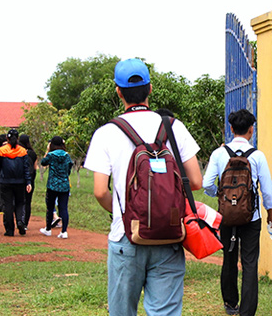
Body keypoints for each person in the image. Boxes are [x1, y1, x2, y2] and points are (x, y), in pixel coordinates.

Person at [85, 57, 203, 316]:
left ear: (118, 92)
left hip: (125, 236)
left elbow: (99, 191)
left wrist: (119, 211)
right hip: (169, 236)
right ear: (150, 88)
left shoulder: (106, 132)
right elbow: (196, 181)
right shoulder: (174, 128)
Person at [202, 109, 272, 316]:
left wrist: (220, 196)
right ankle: (247, 311)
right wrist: (271, 214)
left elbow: (206, 183)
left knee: (229, 256)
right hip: (251, 217)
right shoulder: (258, 156)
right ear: (251, 130)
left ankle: (230, 303)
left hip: (226, 216)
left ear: (231, 129)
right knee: (250, 262)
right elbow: (267, 191)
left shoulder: (219, 154)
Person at [0, 129, 32, 236]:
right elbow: (26, 168)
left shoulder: (1, 151)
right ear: (18, 138)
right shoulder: (23, 151)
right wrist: (28, 182)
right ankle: (20, 221)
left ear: (7, 138)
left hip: (5, 181)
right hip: (20, 182)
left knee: (8, 205)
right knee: (20, 203)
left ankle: (9, 230)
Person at [39, 136, 74, 239]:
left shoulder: (51, 155)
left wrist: (47, 150)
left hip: (52, 185)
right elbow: (69, 168)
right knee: (63, 208)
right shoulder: (67, 156)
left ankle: (48, 229)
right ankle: (64, 231)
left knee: (50, 208)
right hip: (64, 185)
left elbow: (43, 162)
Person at [19, 133, 38, 230]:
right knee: (28, 202)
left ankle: (19, 220)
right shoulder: (33, 153)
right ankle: (25, 223)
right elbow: (35, 168)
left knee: (19, 201)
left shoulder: (18, 151)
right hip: (30, 180)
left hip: (20, 179)